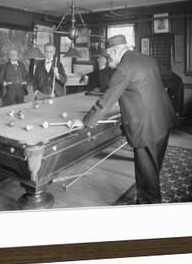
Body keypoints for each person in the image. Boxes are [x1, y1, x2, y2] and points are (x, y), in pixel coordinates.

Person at [76, 35, 178, 204]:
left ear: (116, 51)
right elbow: (172, 80)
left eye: (109, 56)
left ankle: (148, 211)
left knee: (147, 178)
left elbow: (107, 100)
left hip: (146, 128)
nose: (109, 60)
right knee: (153, 169)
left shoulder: (124, 68)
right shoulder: (147, 59)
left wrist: (86, 122)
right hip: (164, 121)